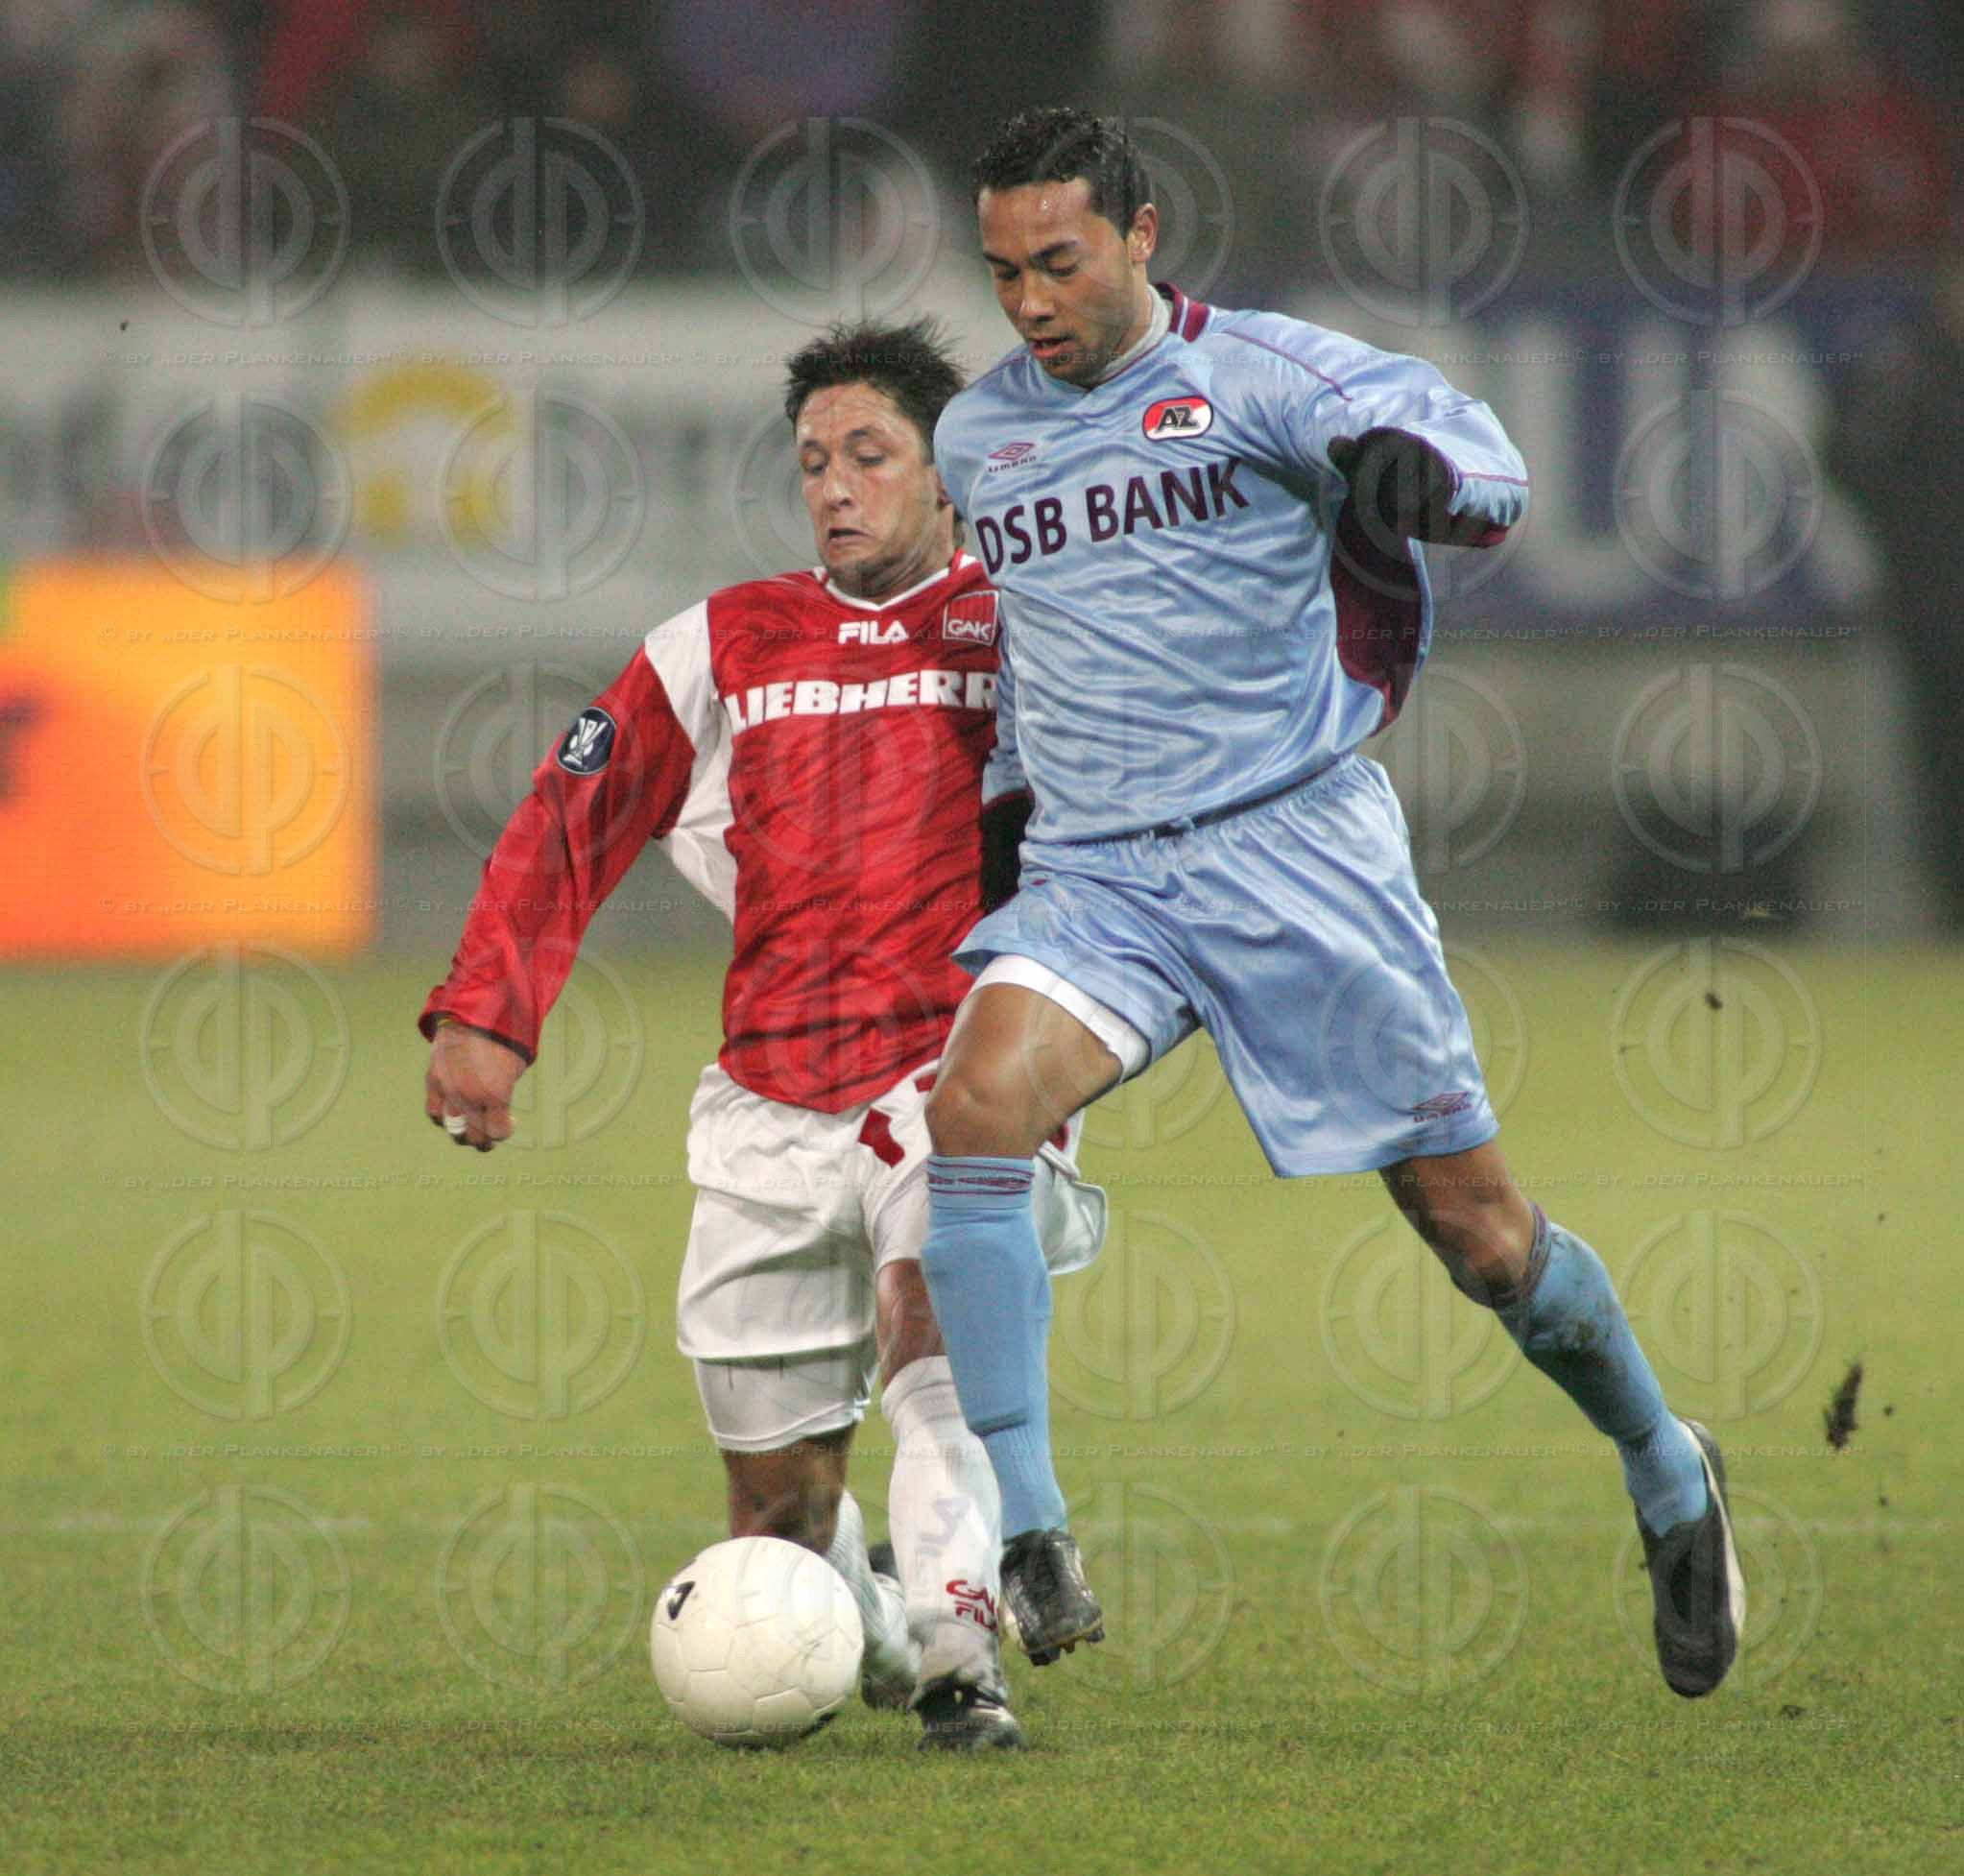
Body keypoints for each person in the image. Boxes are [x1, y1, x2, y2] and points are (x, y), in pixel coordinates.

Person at [917, 108, 1745, 1699]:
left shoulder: (1263, 376)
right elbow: (1030, 658)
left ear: (1140, 235)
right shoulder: (978, 436)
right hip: (1101, 880)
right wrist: (1008, 857)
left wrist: (1415, 478)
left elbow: (1475, 459)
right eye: (1003, 271)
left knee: (1481, 1239)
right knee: (974, 1107)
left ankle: (1662, 1456)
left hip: (1293, 855)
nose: (1027, 302)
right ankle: (1028, 1529)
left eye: (1059, 263)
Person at [418, 318, 1106, 1751]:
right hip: (770, 1098)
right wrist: (488, 1015)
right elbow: (572, 816)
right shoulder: (725, 641)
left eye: (869, 455)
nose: (835, 486)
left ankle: (957, 1663)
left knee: (934, 1337)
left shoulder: (1026, 625)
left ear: (947, 472)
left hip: (962, 1069)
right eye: (812, 462)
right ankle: (871, 1623)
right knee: (779, 1510)